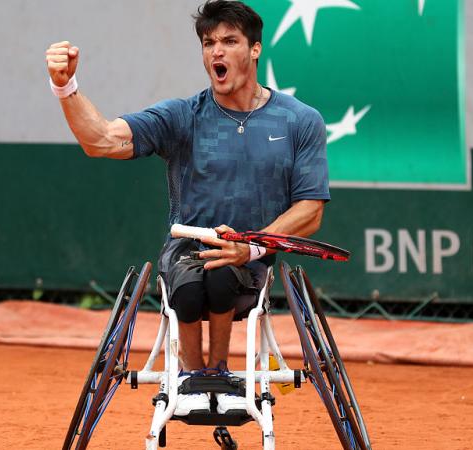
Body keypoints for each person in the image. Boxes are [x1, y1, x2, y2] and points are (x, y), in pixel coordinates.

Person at [46, 0, 329, 416]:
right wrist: (65, 87)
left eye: (229, 41)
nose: (217, 51)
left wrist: (251, 247)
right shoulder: (182, 116)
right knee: (194, 281)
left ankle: (219, 372)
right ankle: (193, 381)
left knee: (222, 276)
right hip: (186, 254)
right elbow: (101, 140)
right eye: (209, 43)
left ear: (254, 49)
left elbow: (311, 209)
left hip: (252, 261)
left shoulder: (300, 121)